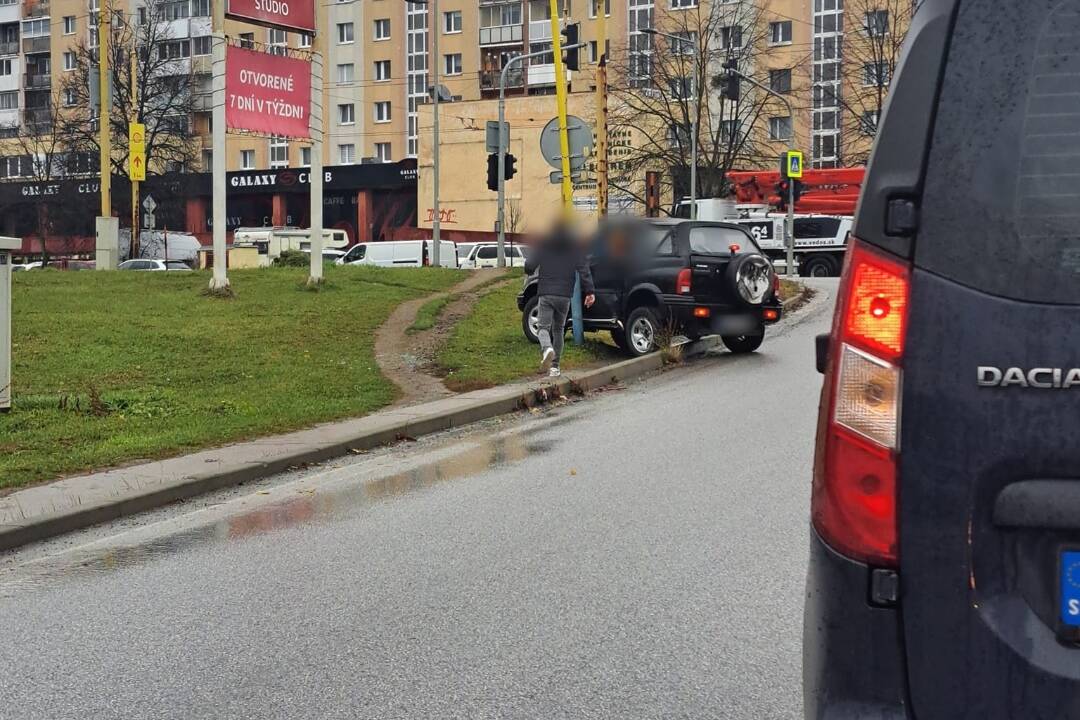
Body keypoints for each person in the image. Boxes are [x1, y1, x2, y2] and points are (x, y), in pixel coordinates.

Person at [524, 222, 595, 378]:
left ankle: (546, 348)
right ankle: (555, 367)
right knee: (558, 329)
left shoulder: (544, 243)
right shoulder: (573, 246)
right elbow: (584, 268)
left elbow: (530, 266)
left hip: (546, 293)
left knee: (543, 328)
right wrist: (590, 291)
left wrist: (528, 268)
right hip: (564, 295)